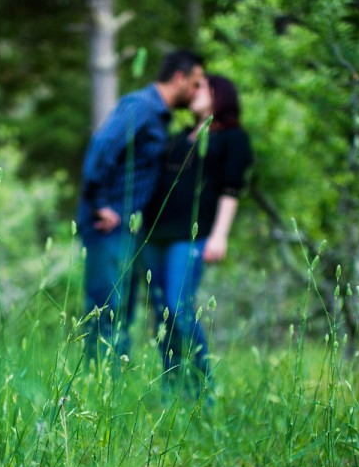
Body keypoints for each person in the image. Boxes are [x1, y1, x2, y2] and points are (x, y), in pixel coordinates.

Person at [76, 50, 205, 366]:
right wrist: (98, 204)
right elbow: (103, 145)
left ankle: (109, 396)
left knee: (122, 312)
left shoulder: (158, 116)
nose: (197, 90)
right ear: (179, 78)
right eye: (196, 83)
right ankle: (93, 392)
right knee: (107, 310)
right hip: (107, 228)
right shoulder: (141, 107)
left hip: (126, 230)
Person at [141, 74, 253, 393]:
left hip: (192, 236)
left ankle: (204, 388)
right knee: (162, 314)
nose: (193, 90)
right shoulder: (178, 137)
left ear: (220, 95)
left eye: (201, 86)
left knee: (179, 307)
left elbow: (231, 189)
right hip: (155, 234)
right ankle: (172, 388)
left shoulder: (232, 138)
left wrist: (220, 235)